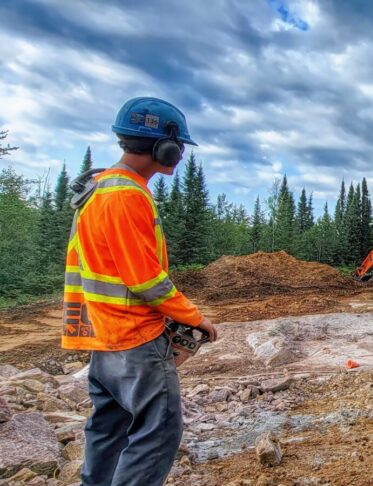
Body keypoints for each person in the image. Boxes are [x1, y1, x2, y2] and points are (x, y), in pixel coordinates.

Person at [61, 97, 218, 486]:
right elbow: (145, 279)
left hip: (105, 336)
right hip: (134, 338)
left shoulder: (100, 189)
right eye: (178, 146)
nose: (180, 154)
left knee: (110, 429)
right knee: (158, 434)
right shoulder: (126, 195)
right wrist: (194, 318)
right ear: (162, 145)